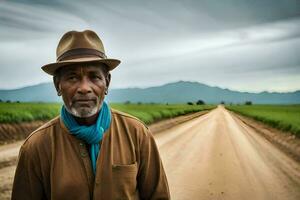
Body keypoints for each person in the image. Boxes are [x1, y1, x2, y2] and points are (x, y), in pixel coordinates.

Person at [11, 30, 170, 200]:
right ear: (58, 85)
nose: (84, 88)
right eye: (72, 78)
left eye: (94, 77)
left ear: (107, 83)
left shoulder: (136, 133)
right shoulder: (36, 146)